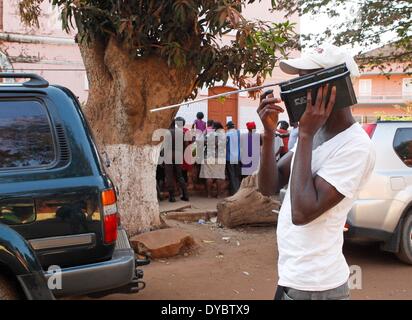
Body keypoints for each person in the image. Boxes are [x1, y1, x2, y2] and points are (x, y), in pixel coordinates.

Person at [257, 43, 375, 300]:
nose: (295, 90)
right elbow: (269, 185)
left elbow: (302, 212)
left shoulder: (355, 146)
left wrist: (307, 133)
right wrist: (268, 134)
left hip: (317, 288)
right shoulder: (316, 133)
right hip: (292, 277)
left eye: (304, 81)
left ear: (335, 86)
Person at [164, 118, 189, 203]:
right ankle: (185, 195)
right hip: (178, 154)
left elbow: (164, 146)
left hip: (168, 155)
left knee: (169, 176)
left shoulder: (166, 132)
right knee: (180, 175)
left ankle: (172, 197)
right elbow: (186, 145)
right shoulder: (181, 132)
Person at [199, 122, 226, 198]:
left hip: (208, 156)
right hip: (220, 157)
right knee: (219, 176)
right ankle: (219, 195)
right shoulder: (224, 135)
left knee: (208, 176)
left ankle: (209, 194)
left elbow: (201, 142)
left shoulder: (209, 134)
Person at [226, 121, 241, 195]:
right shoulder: (238, 132)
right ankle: (238, 190)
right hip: (237, 157)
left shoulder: (227, 134)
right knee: (236, 175)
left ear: (228, 127)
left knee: (231, 175)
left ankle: (234, 192)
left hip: (229, 157)